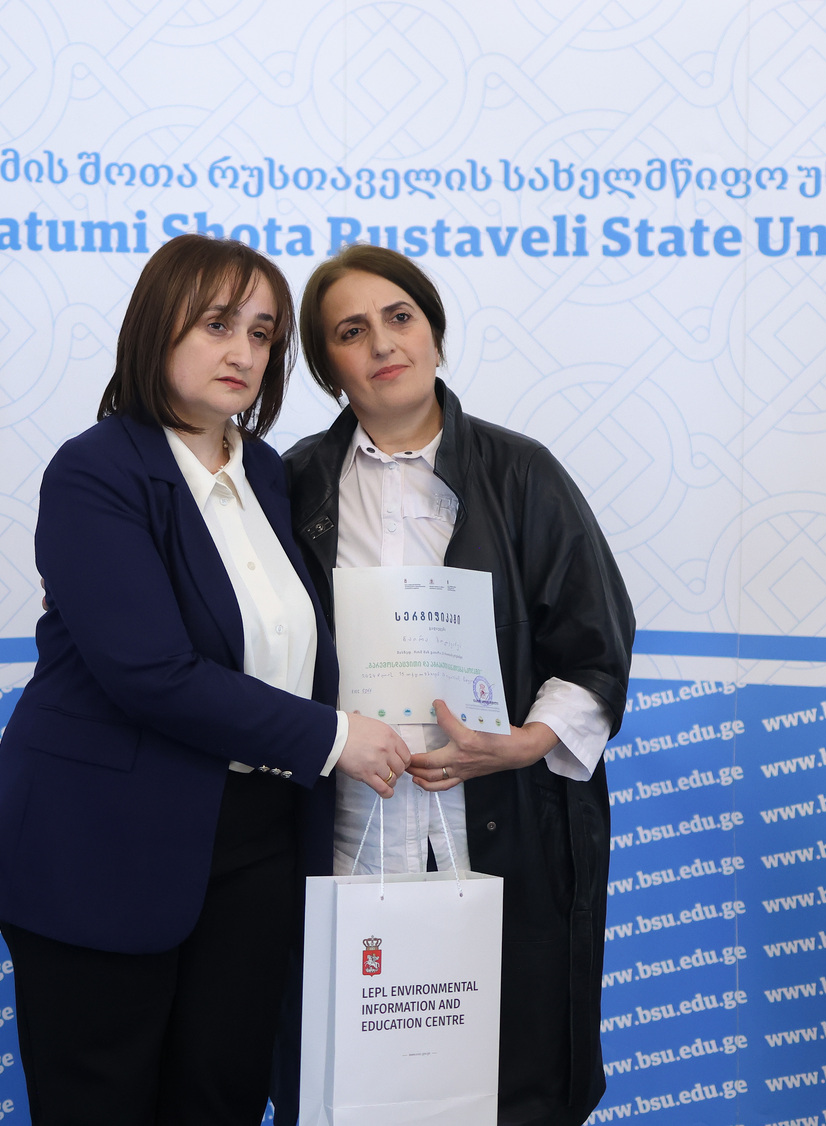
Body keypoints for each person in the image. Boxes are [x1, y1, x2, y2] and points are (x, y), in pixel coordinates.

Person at [0, 234, 411, 1126]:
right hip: (104, 845)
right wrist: (335, 737)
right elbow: (151, 673)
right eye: (216, 325)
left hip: (257, 845)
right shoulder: (95, 470)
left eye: (262, 333)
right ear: (155, 328)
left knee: (223, 1100)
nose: (242, 351)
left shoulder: (268, 475)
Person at [276, 244, 635, 1126]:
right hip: (345, 827)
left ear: (433, 334)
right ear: (327, 367)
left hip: (500, 827)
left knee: (505, 1082)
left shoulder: (523, 473)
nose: (381, 343)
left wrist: (522, 744)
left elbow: (593, 647)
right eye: (350, 332)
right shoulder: (292, 483)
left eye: (399, 317)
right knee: (351, 1082)